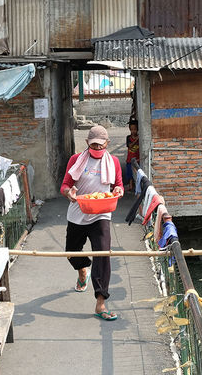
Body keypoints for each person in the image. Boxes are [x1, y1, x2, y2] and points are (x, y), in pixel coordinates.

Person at [61, 125, 124, 321]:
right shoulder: (76, 160)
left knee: (103, 255)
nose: (97, 148)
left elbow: (118, 185)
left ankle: (100, 303)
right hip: (78, 212)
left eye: (100, 145)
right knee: (71, 252)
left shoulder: (113, 162)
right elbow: (65, 185)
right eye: (93, 145)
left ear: (107, 144)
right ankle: (82, 271)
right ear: (87, 143)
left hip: (101, 214)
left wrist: (118, 191)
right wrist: (68, 192)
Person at [123, 119, 139, 192]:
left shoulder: (140, 137)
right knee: (129, 174)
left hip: (137, 159)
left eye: (135, 129)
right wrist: (136, 140)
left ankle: (137, 186)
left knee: (137, 173)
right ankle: (130, 186)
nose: (133, 131)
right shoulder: (128, 137)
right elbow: (130, 146)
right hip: (129, 159)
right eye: (132, 129)